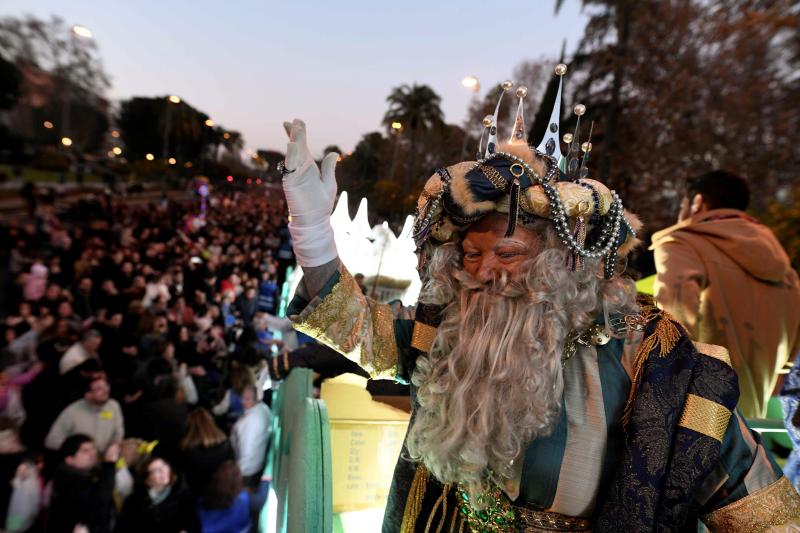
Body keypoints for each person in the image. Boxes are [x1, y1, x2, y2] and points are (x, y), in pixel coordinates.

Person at [279, 69, 800, 532]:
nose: (483, 273)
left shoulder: (657, 365)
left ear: (563, 258)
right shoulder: (451, 329)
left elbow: (765, 513)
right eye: (470, 254)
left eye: (506, 252)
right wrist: (311, 232)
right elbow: (356, 328)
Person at [651, 170, 800, 419]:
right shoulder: (785, 270)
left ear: (697, 203)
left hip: (696, 414)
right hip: (756, 423)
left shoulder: (684, 244)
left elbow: (671, 324)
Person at [46, 434, 118, 533]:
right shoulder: (68, 482)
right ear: (70, 460)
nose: (93, 453)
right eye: (85, 451)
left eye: (93, 448)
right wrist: (109, 464)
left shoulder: (91, 473)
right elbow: (100, 499)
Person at [115, 456, 198, 533]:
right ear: (147, 480)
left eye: (164, 465)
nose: (163, 471)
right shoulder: (133, 502)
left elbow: (193, 524)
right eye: (156, 470)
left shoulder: (182, 496)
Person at [45, 375, 124, 453]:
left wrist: (115, 445)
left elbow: (118, 431)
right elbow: (51, 441)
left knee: (134, 446)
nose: (106, 390)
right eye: (99, 389)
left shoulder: (113, 405)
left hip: (107, 454)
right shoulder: (72, 412)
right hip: (81, 460)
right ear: (88, 395)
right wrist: (78, 451)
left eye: (106, 386)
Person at [178, 408, 234, 498]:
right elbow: (231, 465)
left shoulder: (186, 450)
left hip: (198, 494)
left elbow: (186, 476)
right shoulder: (225, 443)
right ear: (211, 422)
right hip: (222, 490)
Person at [198, 460, 267, 533]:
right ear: (237, 483)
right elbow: (260, 500)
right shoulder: (243, 500)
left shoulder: (202, 499)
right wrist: (265, 480)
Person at [231, 384, 272, 486]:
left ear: (256, 399)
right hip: (257, 465)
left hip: (246, 471)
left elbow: (247, 452)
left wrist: (237, 474)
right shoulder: (263, 408)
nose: (242, 402)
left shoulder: (248, 423)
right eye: (242, 398)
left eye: (247, 399)